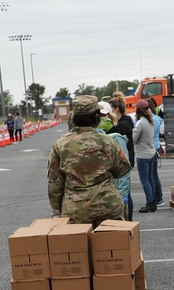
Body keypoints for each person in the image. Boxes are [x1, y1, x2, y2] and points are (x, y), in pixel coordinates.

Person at [47, 94, 129, 224]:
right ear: (97, 117)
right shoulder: (107, 141)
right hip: (108, 206)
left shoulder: (61, 144)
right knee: (114, 243)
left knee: (79, 244)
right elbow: (122, 169)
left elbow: (55, 181)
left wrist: (56, 208)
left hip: (76, 209)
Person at [108, 94, 135, 219]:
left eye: (111, 108)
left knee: (126, 193)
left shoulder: (123, 125)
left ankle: (129, 219)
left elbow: (121, 143)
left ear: (116, 109)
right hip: (125, 158)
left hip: (125, 159)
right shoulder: (122, 122)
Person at [133, 98, 158, 212]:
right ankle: (153, 201)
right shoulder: (150, 120)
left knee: (145, 180)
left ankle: (150, 202)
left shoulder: (140, 123)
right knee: (151, 179)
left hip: (143, 155)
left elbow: (134, 139)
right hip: (152, 152)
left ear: (138, 110)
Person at [151, 104, 164, 206]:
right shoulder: (157, 118)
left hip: (152, 147)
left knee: (152, 175)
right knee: (154, 175)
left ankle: (157, 197)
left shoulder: (151, 119)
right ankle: (158, 197)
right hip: (156, 145)